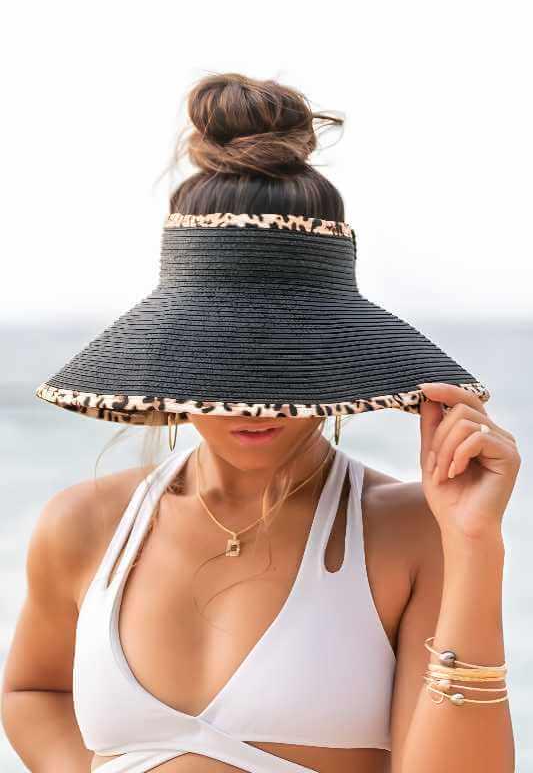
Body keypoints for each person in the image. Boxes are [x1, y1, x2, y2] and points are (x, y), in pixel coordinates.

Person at [1, 73, 520, 773]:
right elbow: (34, 690)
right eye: (227, 362)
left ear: (337, 358)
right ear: (175, 355)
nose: (259, 403)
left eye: (287, 364)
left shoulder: (410, 532)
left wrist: (475, 544)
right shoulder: (86, 524)